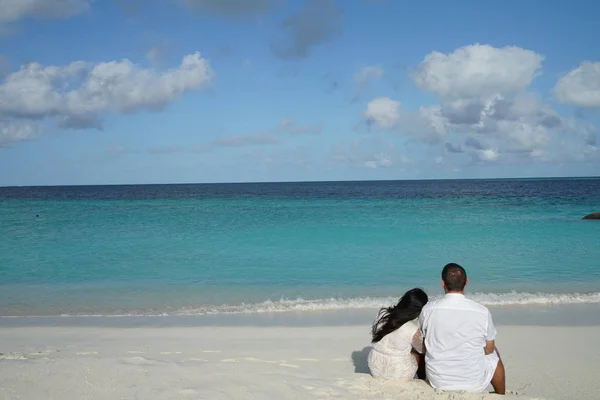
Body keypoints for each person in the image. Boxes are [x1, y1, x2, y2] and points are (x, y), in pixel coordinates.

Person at [419, 263, 506, 394]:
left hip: (438, 381)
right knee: (494, 354)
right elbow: (488, 349)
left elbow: (422, 340)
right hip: (473, 382)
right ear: (466, 282)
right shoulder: (481, 311)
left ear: (443, 283)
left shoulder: (428, 309)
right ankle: (500, 394)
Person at [368, 288, 428, 381]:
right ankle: (422, 378)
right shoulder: (412, 329)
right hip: (399, 374)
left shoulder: (382, 314)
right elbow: (422, 350)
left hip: (375, 368)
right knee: (420, 352)